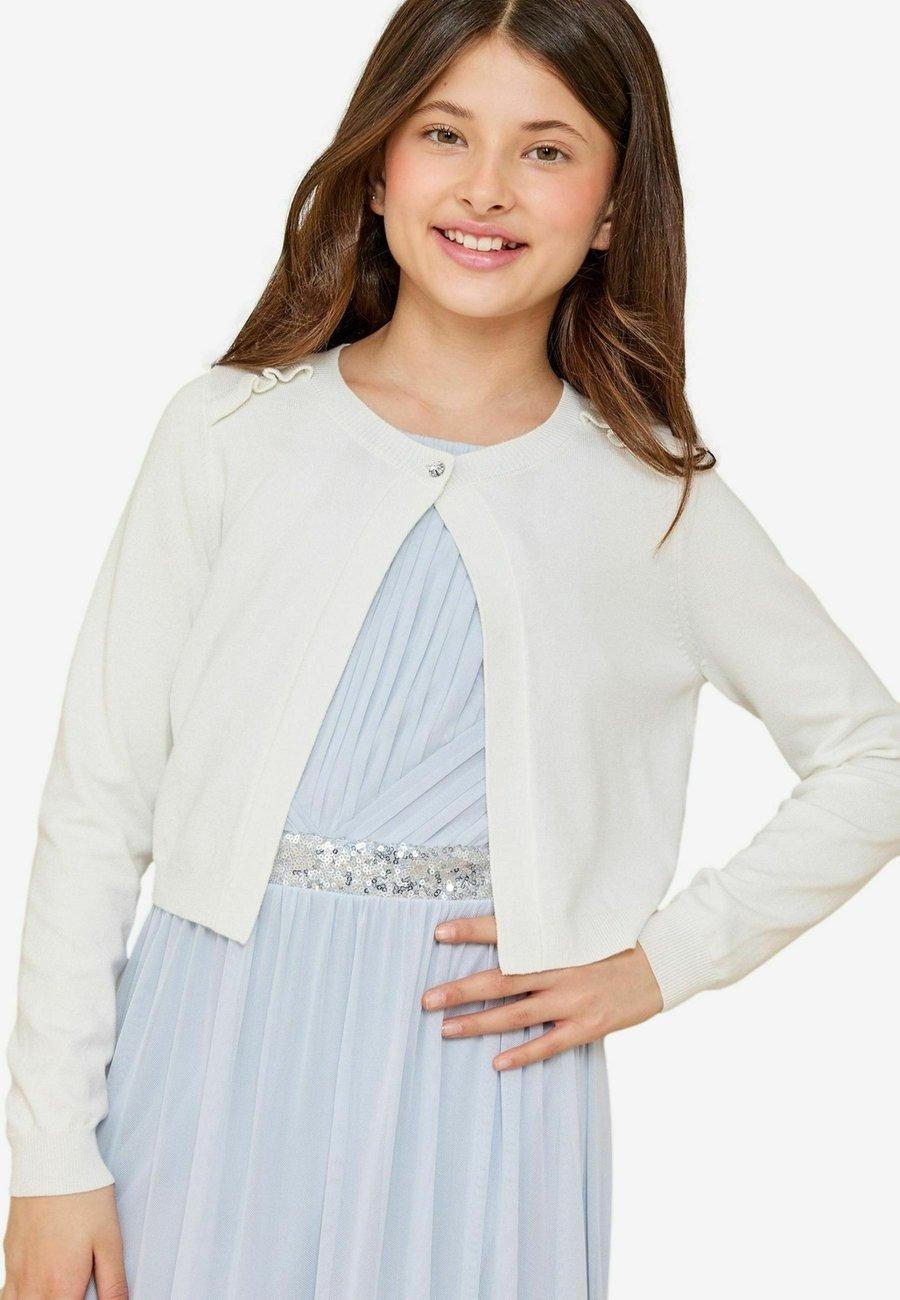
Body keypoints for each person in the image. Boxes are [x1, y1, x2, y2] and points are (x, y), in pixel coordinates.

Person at [4, 1, 900, 1296]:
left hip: (481, 1084)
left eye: (547, 149)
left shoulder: (652, 501)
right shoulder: (229, 433)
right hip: (208, 1056)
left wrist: (661, 966)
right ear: (377, 168)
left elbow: (874, 757)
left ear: (613, 207)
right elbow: (96, 806)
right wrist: (49, 1158)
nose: (487, 187)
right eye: (444, 133)